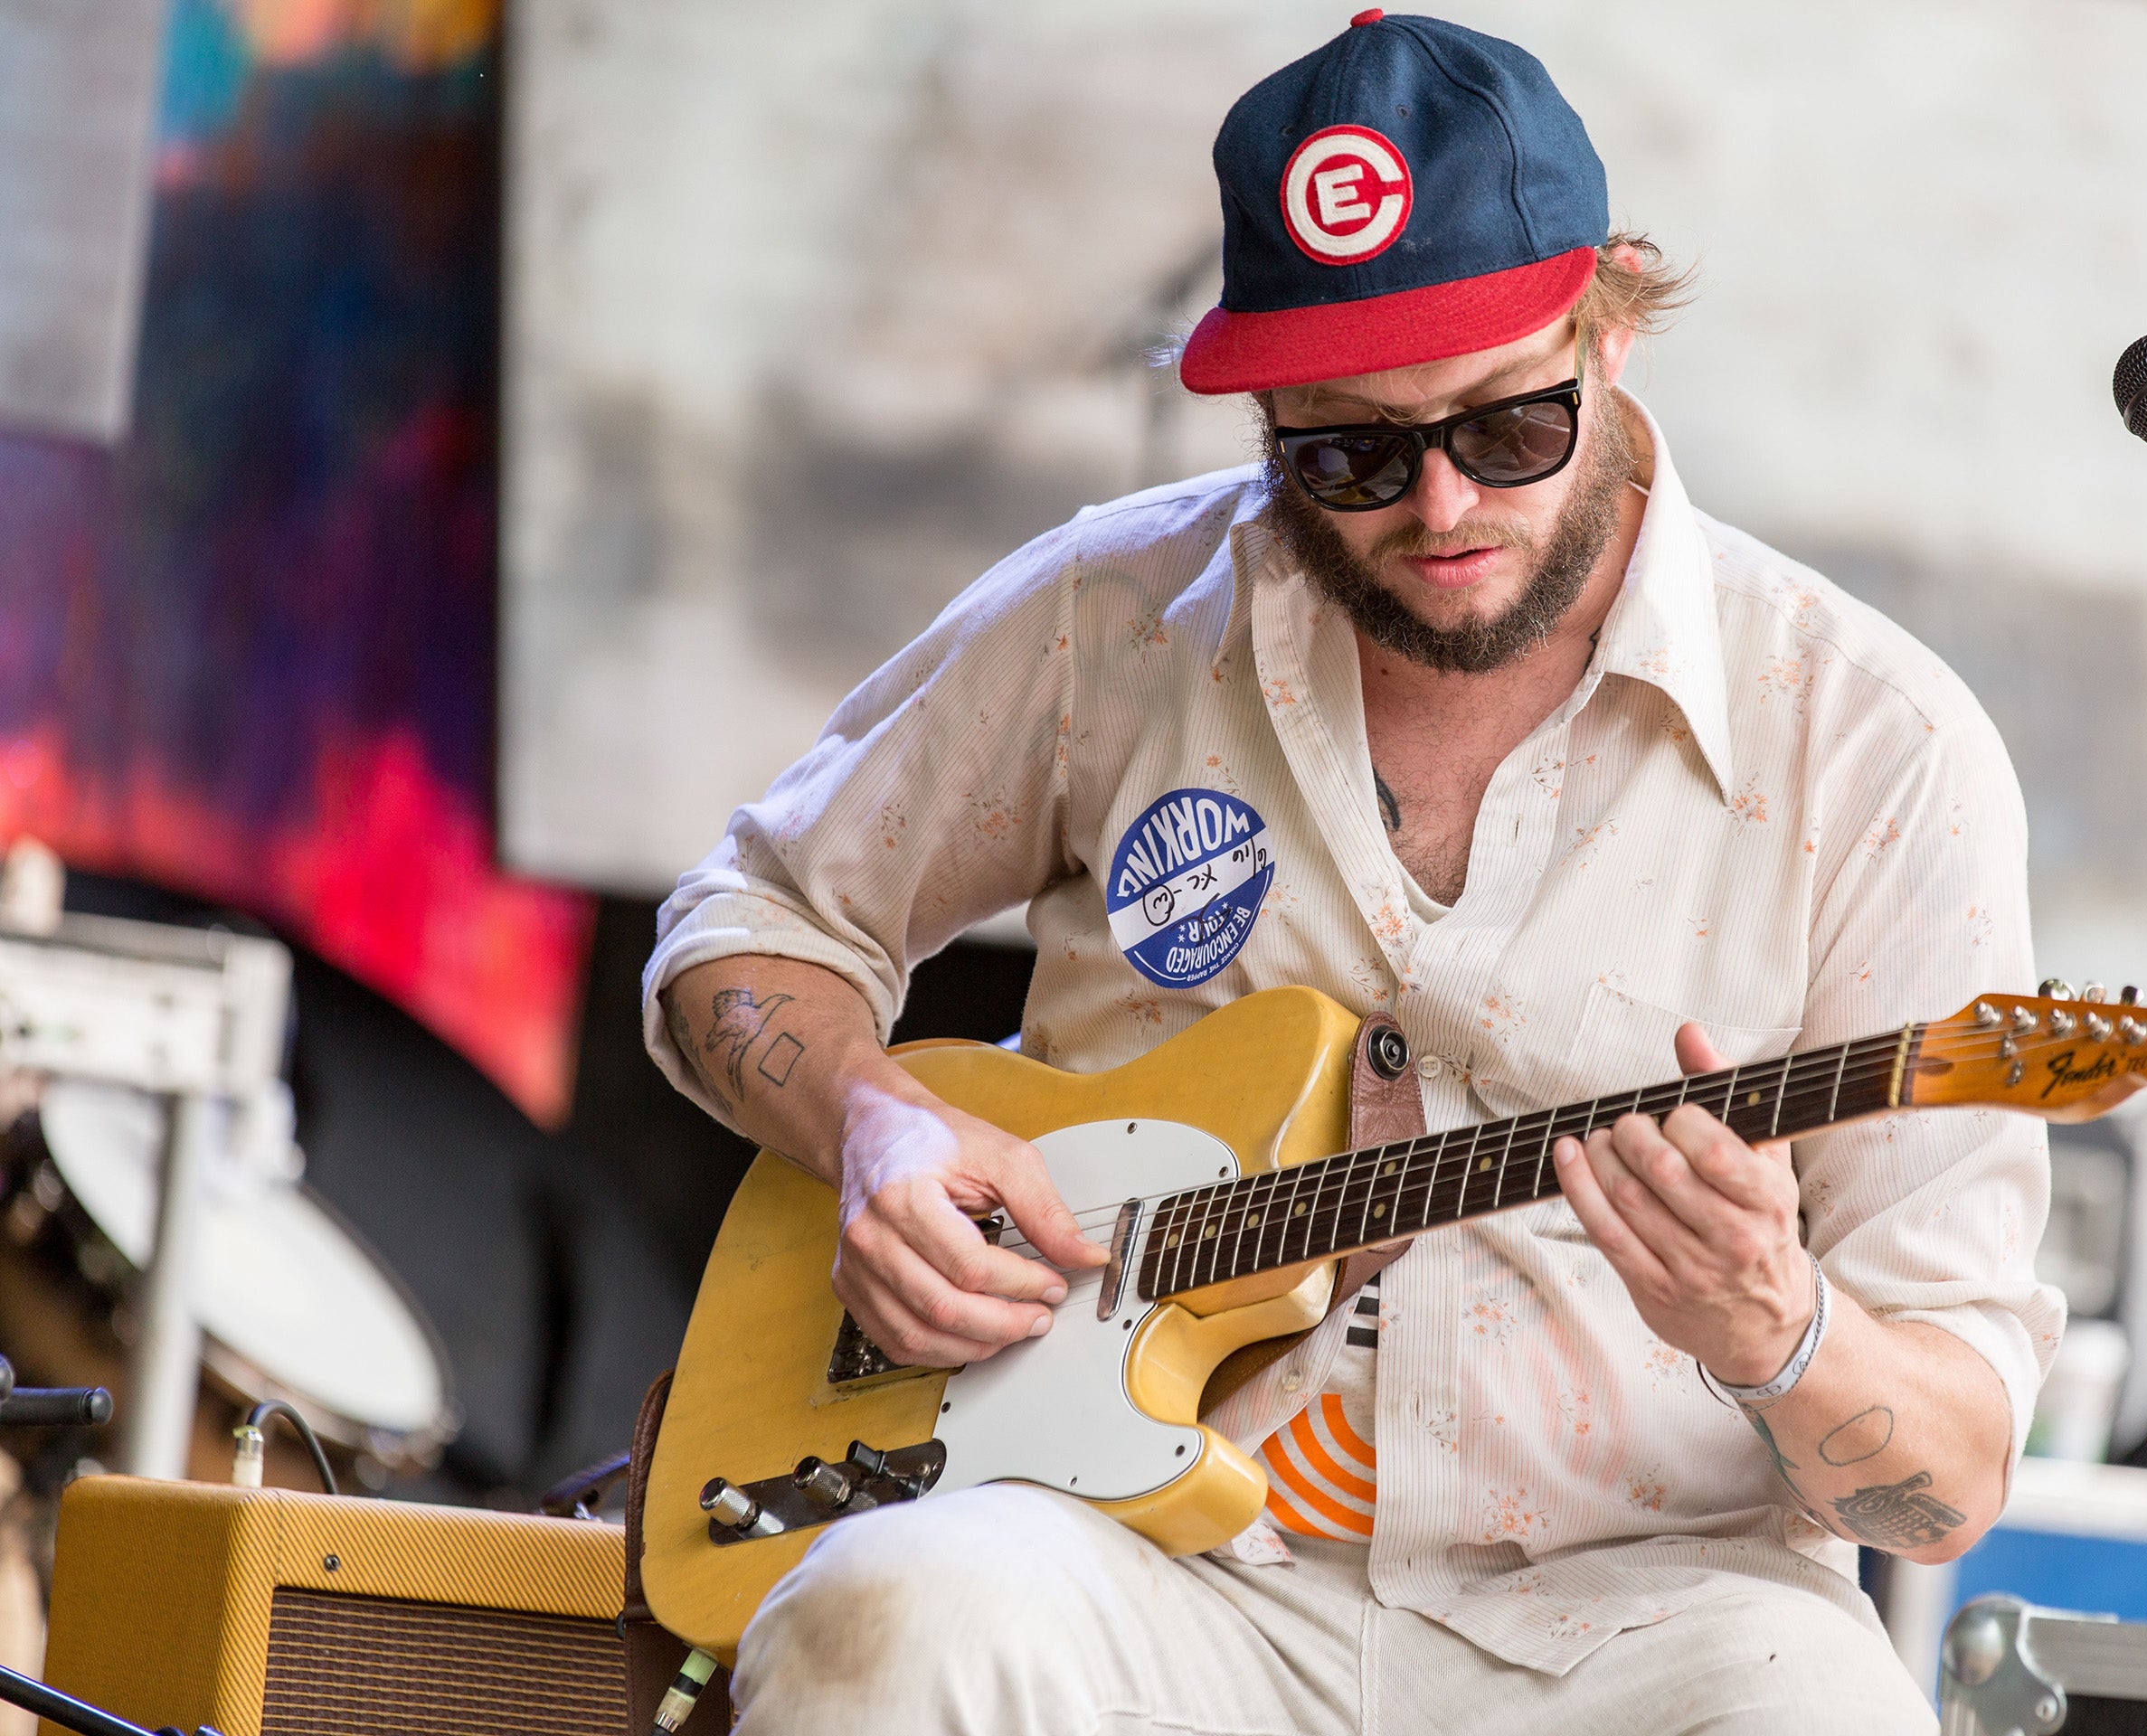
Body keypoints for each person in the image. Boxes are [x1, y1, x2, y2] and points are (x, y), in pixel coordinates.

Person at [647, 13, 2057, 1732]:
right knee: (888, 1616)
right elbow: (750, 924)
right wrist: (874, 1119)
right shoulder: (1116, 620)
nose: (1444, 506)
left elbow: (1955, 1469)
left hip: (1651, 1619)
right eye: (1349, 457)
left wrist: (1775, 1324)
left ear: (1612, 329)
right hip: (1145, 1568)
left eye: (1510, 427)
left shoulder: (1877, 745)